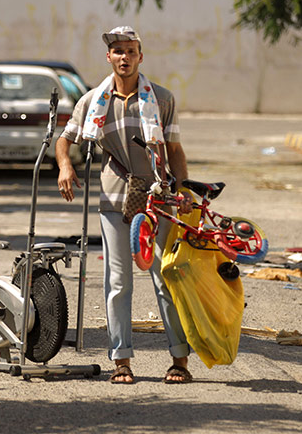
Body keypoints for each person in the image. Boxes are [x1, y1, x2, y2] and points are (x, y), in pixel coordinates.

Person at [56, 26, 194, 384]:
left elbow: (175, 151)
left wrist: (186, 190)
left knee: (166, 277)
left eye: (130, 51)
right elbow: (65, 139)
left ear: (140, 57)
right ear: (109, 57)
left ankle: (179, 360)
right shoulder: (92, 100)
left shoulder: (161, 99)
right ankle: (122, 361)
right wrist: (66, 166)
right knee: (118, 282)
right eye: (117, 51)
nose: (124, 57)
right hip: (114, 198)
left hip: (159, 198)